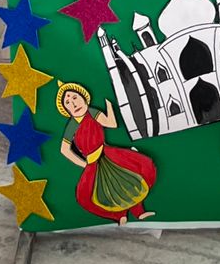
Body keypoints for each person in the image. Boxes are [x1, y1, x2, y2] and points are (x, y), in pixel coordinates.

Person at [57, 82, 156, 224]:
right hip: (92, 163)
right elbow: (64, 149)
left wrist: (109, 104)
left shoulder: (92, 113)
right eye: (68, 103)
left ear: (84, 97)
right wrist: (84, 164)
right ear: (66, 110)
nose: (73, 104)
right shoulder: (72, 125)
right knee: (86, 196)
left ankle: (139, 212)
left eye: (75, 97)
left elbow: (111, 124)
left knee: (134, 173)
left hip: (108, 153)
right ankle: (119, 215)